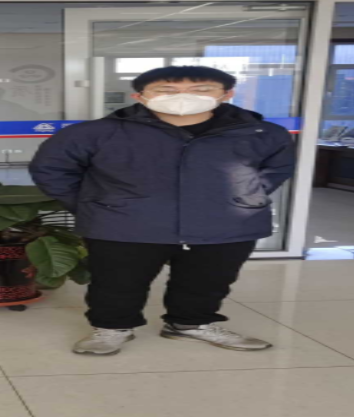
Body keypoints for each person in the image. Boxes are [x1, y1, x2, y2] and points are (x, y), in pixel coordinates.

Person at [30, 66, 295, 356]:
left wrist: (241, 197)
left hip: (225, 222)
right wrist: (95, 205)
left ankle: (190, 323)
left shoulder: (262, 133)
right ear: (140, 96)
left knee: (209, 279)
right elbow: (51, 169)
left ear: (226, 94)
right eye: (166, 90)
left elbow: (276, 169)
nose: (183, 96)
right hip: (124, 222)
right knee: (116, 282)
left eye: (201, 89)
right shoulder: (95, 132)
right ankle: (112, 328)